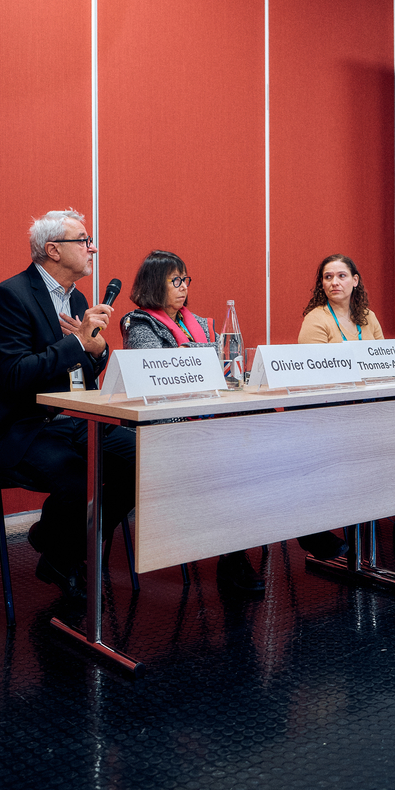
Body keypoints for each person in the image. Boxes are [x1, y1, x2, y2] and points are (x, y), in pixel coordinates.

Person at [0, 208, 137, 598]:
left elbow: (81, 372)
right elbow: (14, 375)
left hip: (74, 419)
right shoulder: (11, 296)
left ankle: (56, 543)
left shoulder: (76, 298)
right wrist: (77, 343)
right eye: (84, 241)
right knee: (80, 482)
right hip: (23, 426)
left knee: (142, 460)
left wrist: (96, 350)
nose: (92, 248)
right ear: (53, 250)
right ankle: (63, 554)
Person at [121, 250, 265, 595]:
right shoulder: (140, 324)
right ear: (155, 284)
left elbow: (222, 368)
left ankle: (241, 550)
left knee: (258, 450)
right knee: (230, 463)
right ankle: (233, 558)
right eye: (175, 280)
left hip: (206, 420)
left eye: (185, 279)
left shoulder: (198, 322)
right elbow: (156, 376)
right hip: (166, 427)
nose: (184, 286)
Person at [296, 254, 387, 559]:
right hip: (331, 412)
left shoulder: (368, 317)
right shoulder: (316, 319)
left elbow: (384, 363)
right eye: (328, 277)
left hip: (369, 407)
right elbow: (314, 374)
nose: (334, 282)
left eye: (341, 275)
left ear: (355, 280)